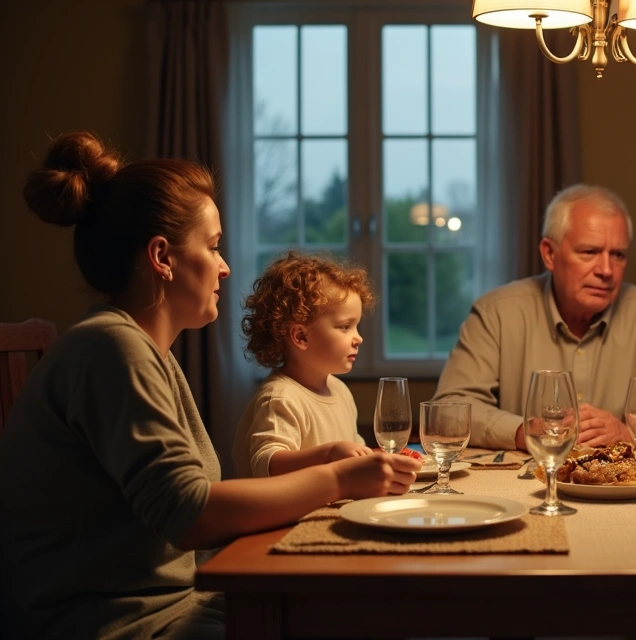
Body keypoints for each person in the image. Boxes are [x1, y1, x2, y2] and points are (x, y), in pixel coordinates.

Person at [0, 132, 421, 640]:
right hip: (116, 624)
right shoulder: (111, 349)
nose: (224, 266)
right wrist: (339, 481)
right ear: (163, 257)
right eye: (213, 246)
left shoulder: (145, 353)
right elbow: (190, 514)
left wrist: (331, 463)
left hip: (174, 603)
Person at [433, 184, 636, 450]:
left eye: (618, 255)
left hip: (624, 488)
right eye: (589, 252)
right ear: (549, 254)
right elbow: (450, 408)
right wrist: (523, 431)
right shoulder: (496, 312)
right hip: (526, 488)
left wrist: (630, 431)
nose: (606, 270)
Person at [232, 252, 380, 478]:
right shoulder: (281, 398)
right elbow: (267, 463)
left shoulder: (340, 390)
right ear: (301, 337)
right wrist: (329, 453)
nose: (358, 338)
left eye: (356, 326)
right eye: (344, 327)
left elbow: (354, 452)